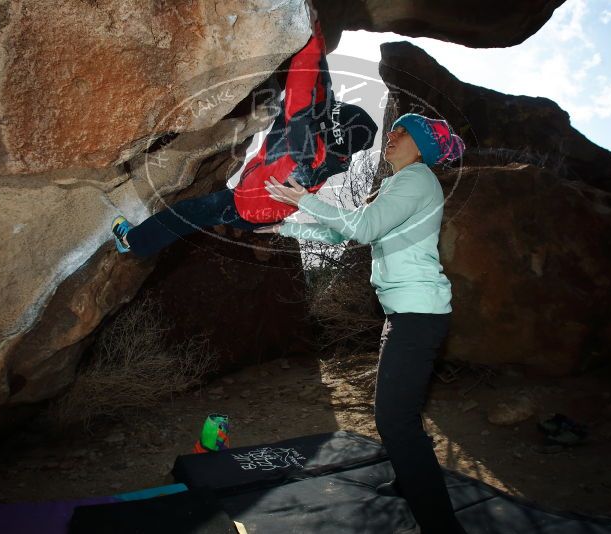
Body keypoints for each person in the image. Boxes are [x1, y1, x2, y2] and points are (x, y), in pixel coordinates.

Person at [258, 113, 466, 534]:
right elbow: (341, 234)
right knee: (403, 412)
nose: (392, 136)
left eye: (403, 132)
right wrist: (283, 228)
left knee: (393, 419)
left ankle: (442, 526)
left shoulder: (418, 179)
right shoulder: (398, 184)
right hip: (407, 314)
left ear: (423, 147)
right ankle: (411, 485)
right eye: (393, 130)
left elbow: (365, 228)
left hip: (418, 315)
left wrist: (303, 200)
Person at [111, 17, 377, 257]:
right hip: (266, 212)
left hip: (245, 204)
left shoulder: (302, 143)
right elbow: (322, 89)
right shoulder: (335, 156)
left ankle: (132, 241)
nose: (328, 108)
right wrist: (318, 34)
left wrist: (310, 31)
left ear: (330, 129)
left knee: (185, 214)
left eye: (331, 114)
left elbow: (304, 77)